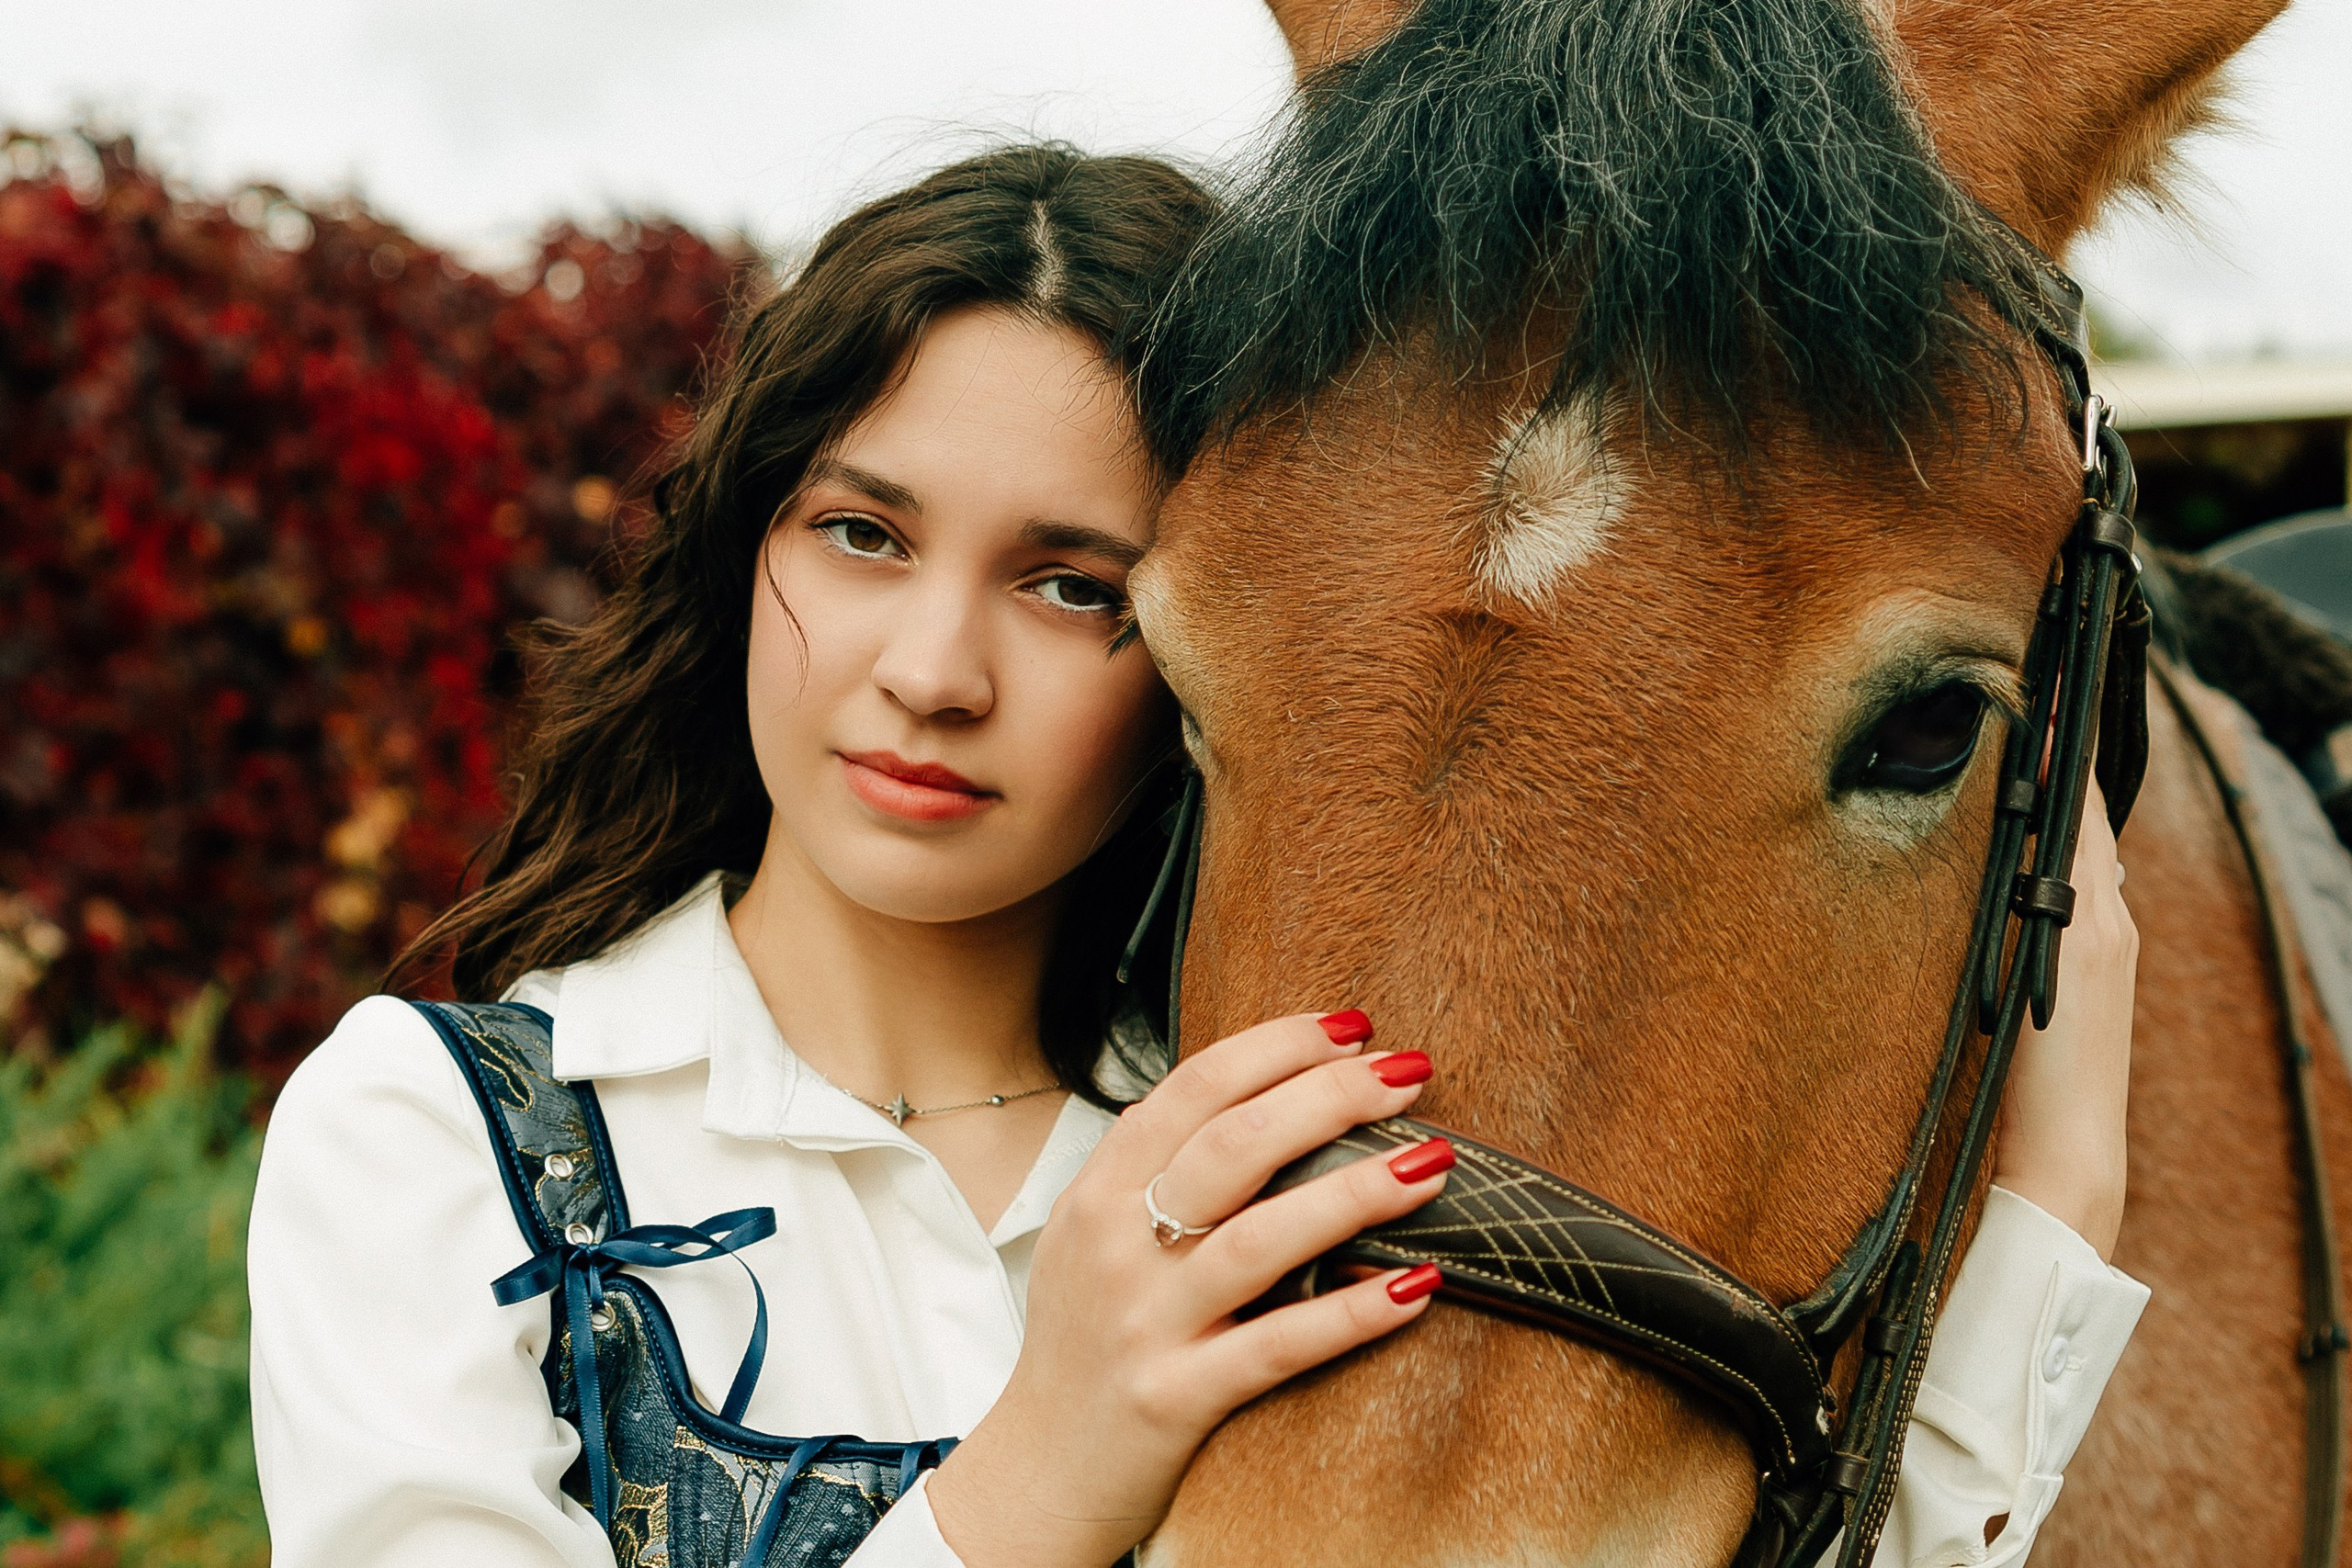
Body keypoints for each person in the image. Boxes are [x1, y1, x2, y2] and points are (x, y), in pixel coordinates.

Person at [245, 143, 2148, 1568]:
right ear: (746, 542)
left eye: (1071, 584)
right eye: (861, 533)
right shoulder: (441, 1143)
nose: (926, 673)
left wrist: (2051, 1192)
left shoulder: (1296, 1169)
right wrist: (1032, 1474)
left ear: (1216, 652)